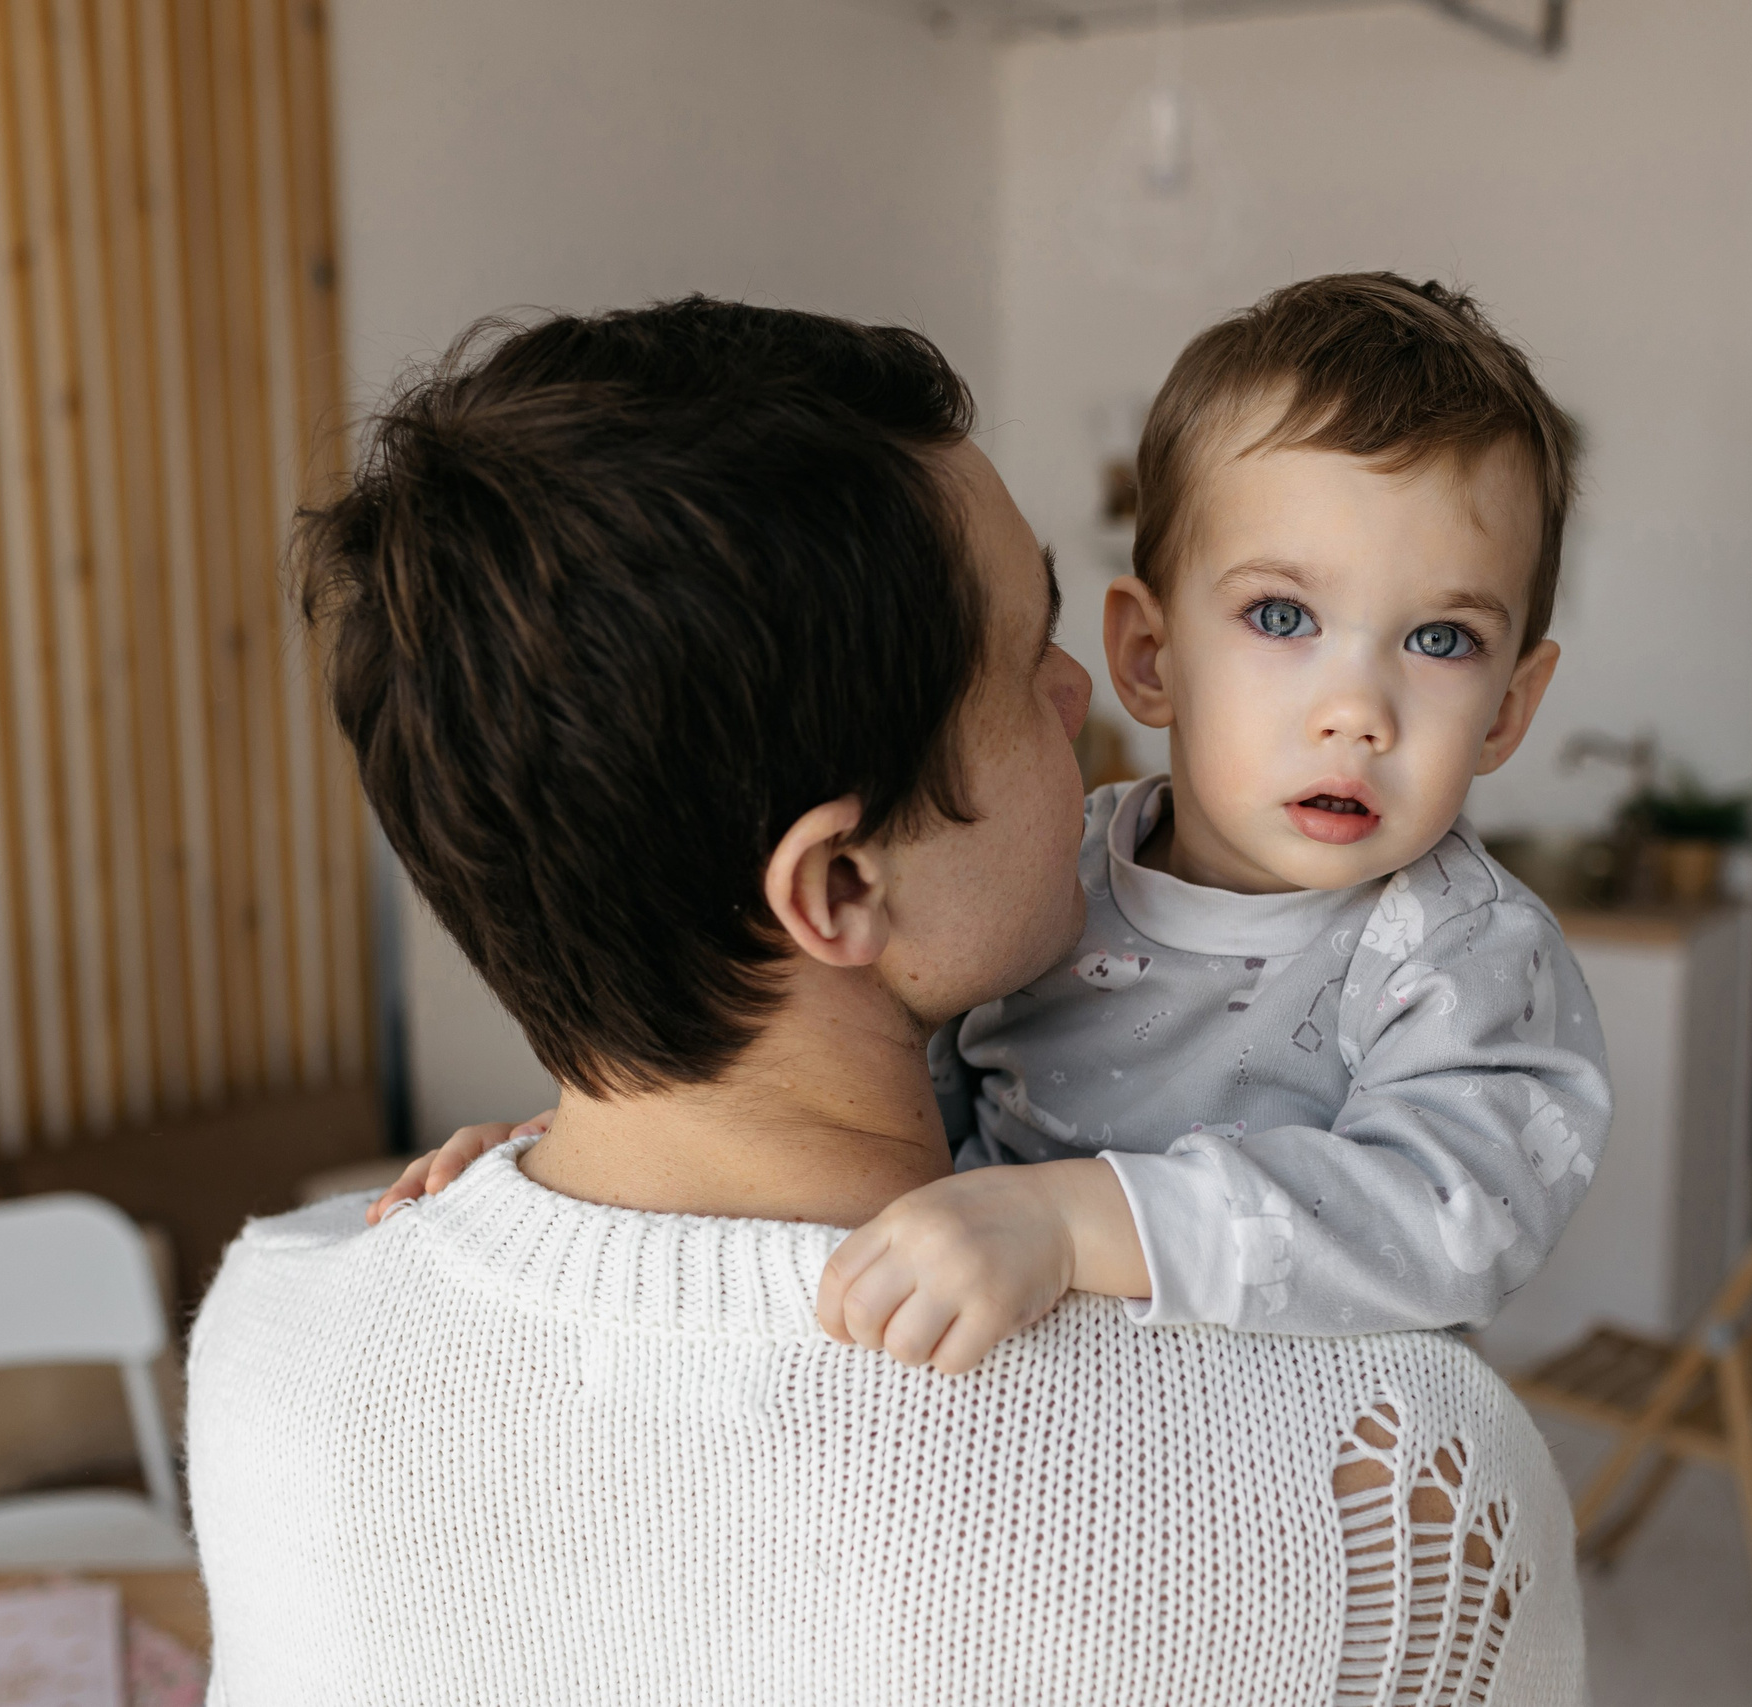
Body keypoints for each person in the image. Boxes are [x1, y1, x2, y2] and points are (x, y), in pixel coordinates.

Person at [188, 296, 1585, 1705]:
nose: (1079, 688)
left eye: (1440, 640)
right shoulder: (1399, 1491)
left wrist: (557, 1175)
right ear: (841, 885)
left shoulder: (270, 1321)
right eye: (1023, 664)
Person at [381, 275, 1612, 1375]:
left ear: (1509, 710)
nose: (1358, 712)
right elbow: (837, 1094)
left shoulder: (1460, 953)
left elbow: (1457, 1214)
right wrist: (585, 1168)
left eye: (1440, 641)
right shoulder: (1056, 874)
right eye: (1282, 617)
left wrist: (1070, 1222)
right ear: (1148, 653)